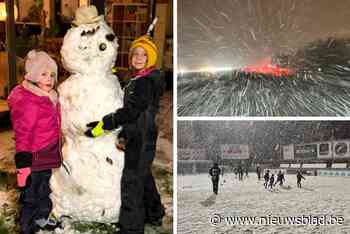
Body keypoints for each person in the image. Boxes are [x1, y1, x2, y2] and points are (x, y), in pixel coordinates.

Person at [84, 34, 164, 234]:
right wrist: (123, 133)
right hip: (141, 134)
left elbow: (131, 112)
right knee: (143, 176)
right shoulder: (140, 78)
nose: (138, 57)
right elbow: (133, 115)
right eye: (135, 53)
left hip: (141, 138)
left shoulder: (145, 83)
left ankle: (132, 228)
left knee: (131, 182)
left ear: (150, 58)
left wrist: (106, 123)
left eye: (143, 55)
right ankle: (154, 213)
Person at [7, 50, 62, 234]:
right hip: (32, 156)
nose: (49, 79)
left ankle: (41, 218)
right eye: (44, 74)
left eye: (52, 75)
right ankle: (26, 226)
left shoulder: (48, 97)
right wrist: (23, 163)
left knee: (44, 190)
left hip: (46, 153)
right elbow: (23, 133)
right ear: (32, 76)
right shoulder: (29, 101)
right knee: (30, 194)